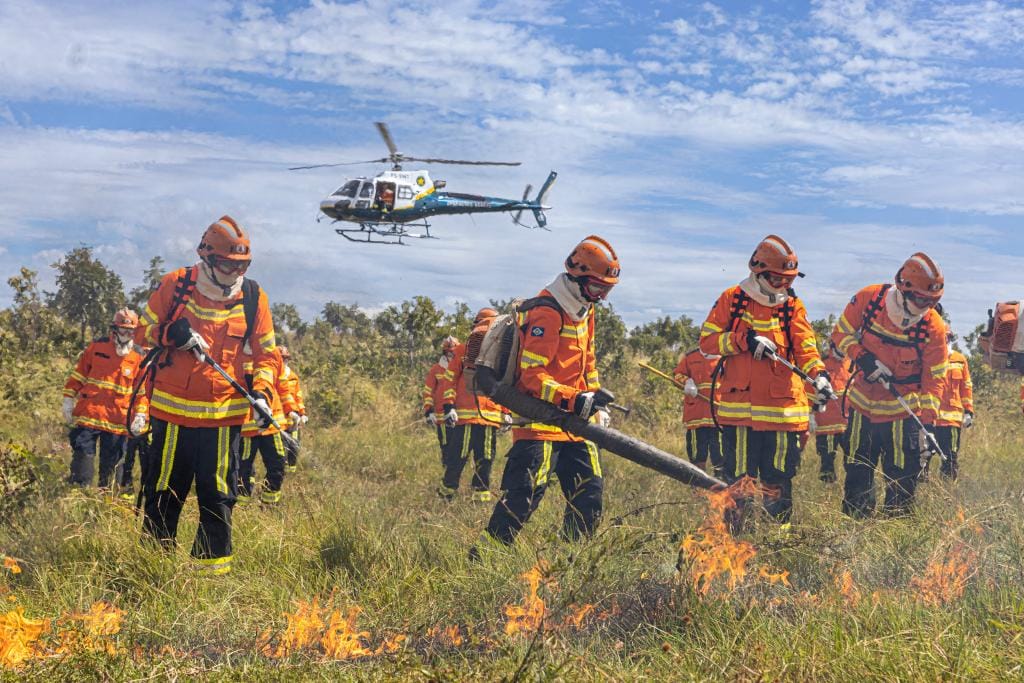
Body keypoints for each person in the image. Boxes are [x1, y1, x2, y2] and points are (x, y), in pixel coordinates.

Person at [136, 215, 277, 575]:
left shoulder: (253, 297)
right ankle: (154, 569)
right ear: (208, 258)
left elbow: (266, 355)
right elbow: (142, 332)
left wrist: (261, 393)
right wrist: (171, 334)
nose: (234, 272)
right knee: (164, 491)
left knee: (218, 496)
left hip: (222, 418)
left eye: (242, 265)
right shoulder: (177, 284)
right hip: (172, 415)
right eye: (228, 264)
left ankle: (210, 578)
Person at [482, 235, 619, 547]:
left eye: (607, 290)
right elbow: (532, 376)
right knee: (523, 499)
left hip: (578, 427)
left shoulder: (586, 309)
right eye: (598, 287)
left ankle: (571, 565)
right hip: (540, 424)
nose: (601, 296)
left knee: (589, 498)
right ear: (577, 276)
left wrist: (595, 400)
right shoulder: (548, 311)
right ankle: (484, 559)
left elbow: (588, 363)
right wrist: (572, 398)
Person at [699, 235, 831, 524]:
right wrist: (743, 340)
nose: (783, 286)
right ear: (758, 271)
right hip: (740, 414)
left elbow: (807, 349)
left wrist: (819, 376)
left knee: (778, 482)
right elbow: (707, 343)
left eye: (789, 280)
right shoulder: (732, 299)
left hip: (783, 417)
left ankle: (778, 543)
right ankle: (736, 545)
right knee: (739, 484)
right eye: (777, 279)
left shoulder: (793, 307)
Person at [831, 252, 947, 517]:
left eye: (932, 301)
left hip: (902, 412)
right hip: (862, 406)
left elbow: (934, 380)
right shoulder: (869, 299)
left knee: (902, 477)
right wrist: (864, 359)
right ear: (903, 287)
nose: (924, 305)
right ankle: (855, 528)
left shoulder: (934, 327)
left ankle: (894, 534)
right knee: (858, 471)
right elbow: (841, 334)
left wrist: (928, 425)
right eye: (920, 298)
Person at [62, 308, 149, 490]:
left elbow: (141, 392)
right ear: (115, 328)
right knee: (82, 462)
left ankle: (106, 506)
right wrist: (68, 399)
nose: (126, 334)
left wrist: (141, 415)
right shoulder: (97, 347)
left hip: (117, 421)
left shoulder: (139, 356)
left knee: (111, 474)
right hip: (89, 415)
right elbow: (79, 375)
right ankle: (78, 498)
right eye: (123, 329)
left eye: (130, 331)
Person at [440, 311, 505, 502]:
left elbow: (506, 384)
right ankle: (447, 493)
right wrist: (448, 406)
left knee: (484, 458)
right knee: (460, 457)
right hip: (467, 416)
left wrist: (506, 412)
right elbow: (450, 379)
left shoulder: (501, 351)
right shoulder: (464, 350)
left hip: (488, 417)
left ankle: (480, 497)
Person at [237, 348, 288, 505]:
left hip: (271, 425)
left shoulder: (272, 354)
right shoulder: (235, 352)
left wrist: (293, 411)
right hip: (246, 428)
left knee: (278, 465)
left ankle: (269, 505)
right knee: (243, 469)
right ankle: (241, 506)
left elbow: (282, 387)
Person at [929, 322, 973, 480]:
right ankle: (922, 488)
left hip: (952, 421)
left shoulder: (959, 359)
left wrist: (968, 411)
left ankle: (947, 490)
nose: (943, 340)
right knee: (923, 457)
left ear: (949, 338)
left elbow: (966, 386)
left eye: (945, 337)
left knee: (950, 457)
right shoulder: (929, 358)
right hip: (929, 419)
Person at [673, 348, 723, 478]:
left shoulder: (726, 359)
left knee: (720, 457)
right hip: (696, 416)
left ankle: (721, 492)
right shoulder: (690, 358)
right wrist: (687, 382)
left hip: (718, 418)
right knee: (697, 457)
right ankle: (697, 492)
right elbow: (677, 375)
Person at [812, 341, 852, 483]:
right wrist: (810, 415)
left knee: (853, 462)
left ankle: (852, 490)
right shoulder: (822, 365)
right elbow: (811, 391)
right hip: (826, 427)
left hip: (849, 426)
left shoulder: (853, 363)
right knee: (827, 462)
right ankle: (827, 494)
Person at [423, 336, 458, 472]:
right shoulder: (436, 369)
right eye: (449, 352)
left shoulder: (461, 368)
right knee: (446, 445)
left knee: (459, 446)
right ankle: (446, 472)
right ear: (444, 352)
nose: (451, 355)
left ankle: (456, 472)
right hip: (441, 415)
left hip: (459, 414)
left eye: (453, 352)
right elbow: (428, 391)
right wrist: (428, 411)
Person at [278, 345, 307, 473]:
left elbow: (298, 396)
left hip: (294, 420)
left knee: (294, 446)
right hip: (280, 419)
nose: (284, 361)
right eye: (282, 359)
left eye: (286, 359)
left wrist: (302, 414)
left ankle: (291, 473)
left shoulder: (293, 376)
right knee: (282, 448)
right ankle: (282, 472)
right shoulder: (274, 376)